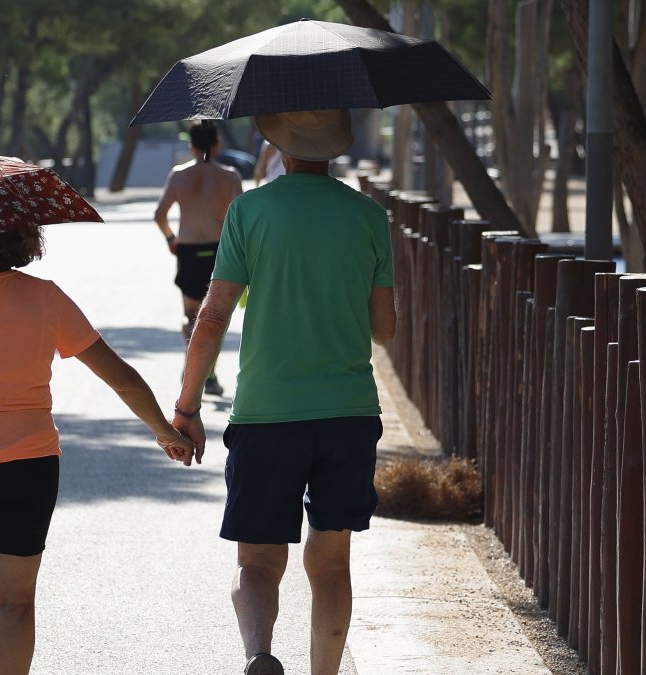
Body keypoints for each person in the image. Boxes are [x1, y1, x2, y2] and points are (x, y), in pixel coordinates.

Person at [0, 225, 195, 675]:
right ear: (24, 238)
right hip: (29, 465)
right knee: (14, 599)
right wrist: (166, 432)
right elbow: (120, 376)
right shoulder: (46, 297)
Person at [171, 109, 396, 675]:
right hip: (347, 413)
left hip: (266, 413)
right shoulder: (369, 216)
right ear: (337, 146)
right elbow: (384, 328)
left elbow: (215, 314)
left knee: (257, 563)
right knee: (331, 563)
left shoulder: (249, 211)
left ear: (277, 144)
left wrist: (188, 406)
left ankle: (260, 656)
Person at [154, 121, 243, 397]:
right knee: (216, 316)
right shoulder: (230, 176)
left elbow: (160, 214)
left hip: (189, 251)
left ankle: (192, 360)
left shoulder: (179, 176)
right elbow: (241, 219)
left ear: (191, 145)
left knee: (190, 315)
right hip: (220, 253)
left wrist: (171, 239)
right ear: (217, 144)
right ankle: (210, 373)